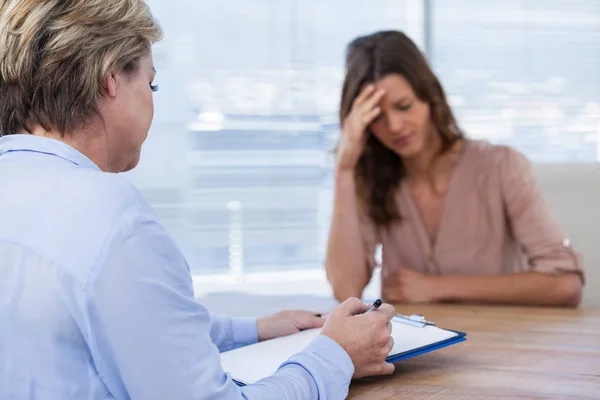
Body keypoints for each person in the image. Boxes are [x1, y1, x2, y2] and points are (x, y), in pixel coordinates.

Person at [0, 1, 397, 399]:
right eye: (150, 83)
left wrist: (254, 330)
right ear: (111, 80)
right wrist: (336, 355)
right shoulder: (109, 216)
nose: (152, 100)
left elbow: (121, 323)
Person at [326, 30, 584, 307]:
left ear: (429, 96)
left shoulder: (501, 166)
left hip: (501, 342)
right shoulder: (372, 180)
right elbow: (346, 291)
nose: (394, 126)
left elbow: (566, 285)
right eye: (376, 117)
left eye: (404, 106)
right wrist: (344, 168)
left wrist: (437, 288)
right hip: (408, 348)